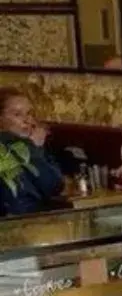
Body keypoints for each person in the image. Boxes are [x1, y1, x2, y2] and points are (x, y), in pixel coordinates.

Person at [0, 87, 65, 217]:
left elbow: (56, 186)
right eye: (17, 114)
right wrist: (34, 148)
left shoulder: (28, 145)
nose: (27, 120)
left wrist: (35, 147)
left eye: (29, 113)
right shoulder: (9, 149)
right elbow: (50, 187)